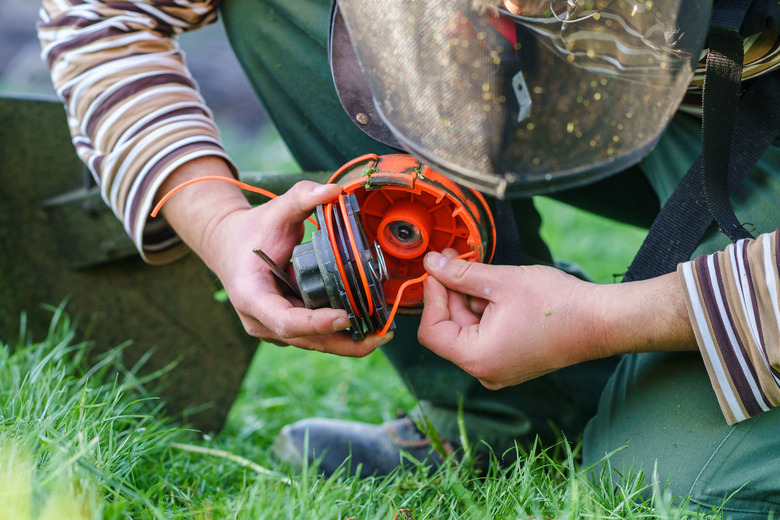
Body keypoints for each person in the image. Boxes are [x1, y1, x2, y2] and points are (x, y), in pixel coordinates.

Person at [37, 0, 780, 515]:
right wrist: (218, 223)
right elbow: (103, 16)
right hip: (631, 77)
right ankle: (509, 414)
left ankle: (632, 368)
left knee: (664, 488)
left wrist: (620, 320)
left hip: (758, 98)